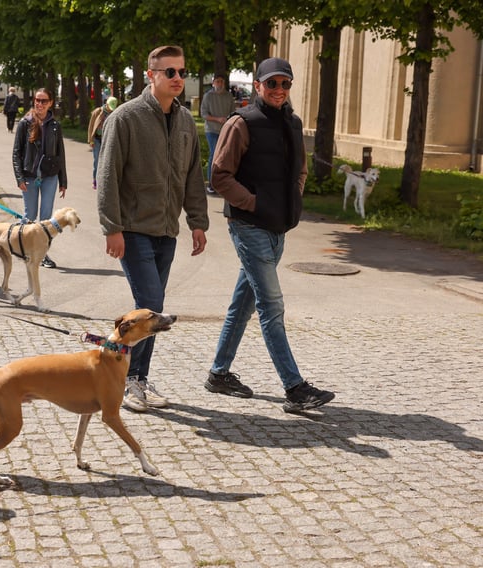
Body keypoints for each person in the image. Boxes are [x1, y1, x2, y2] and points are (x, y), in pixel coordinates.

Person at [205, 57, 335, 413]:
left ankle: (218, 373)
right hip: (249, 227)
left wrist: (293, 196)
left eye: (285, 84)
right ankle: (294, 389)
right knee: (271, 306)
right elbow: (219, 176)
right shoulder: (241, 123)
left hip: (279, 226)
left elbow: (301, 169)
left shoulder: (293, 123)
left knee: (243, 303)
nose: (279, 90)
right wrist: (252, 203)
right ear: (258, 86)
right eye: (272, 83)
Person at [96, 45, 209, 412]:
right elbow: (108, 174)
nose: (178, 79)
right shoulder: (126, 118)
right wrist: (111, 227)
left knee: (150, 309)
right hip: (131, 228)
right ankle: (130, 382)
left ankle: (135, 379)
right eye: (170, 72)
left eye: (182, 72)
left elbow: (193, 176)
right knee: (153, 305)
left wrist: (197, 222)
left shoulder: (186, 122)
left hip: (166, 230)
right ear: (151, 75)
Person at [11, 87, 67, 269]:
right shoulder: (24, 123)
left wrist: (63, 181)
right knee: (29, 216)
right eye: (37, 100)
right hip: (29, 176)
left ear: (51, 103)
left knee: (45, 219)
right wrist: (19, 177)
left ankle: (43, 255)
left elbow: (61, 154)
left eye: (44, 101)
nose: (40, 104)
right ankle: (21, 248)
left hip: (50, 176)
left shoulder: (55, 125)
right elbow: (16, 152)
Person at [200, 72, 235, 194]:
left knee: (225, 157)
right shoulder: (208, 96)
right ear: (213, 83)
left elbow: (233, 112)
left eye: (221, 81)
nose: (219, 84)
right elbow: (203, 114)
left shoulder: (229, 96)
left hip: (225, 130)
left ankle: (222, 182)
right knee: (214, 154)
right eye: (217, 81)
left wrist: (229, 119)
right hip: (211, 130)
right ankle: (211, 183)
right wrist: (217, 119)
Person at [87, 96, 118, 190]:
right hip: (97, 139)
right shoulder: (98, 112)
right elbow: (91, 125)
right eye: (109, 107)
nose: (110, 109)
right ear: (106, 104)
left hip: (107, 139)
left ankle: (104, 181)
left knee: (107, 161)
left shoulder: (115, 113)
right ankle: (95, 180)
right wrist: (90, 140)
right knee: (97, 161)